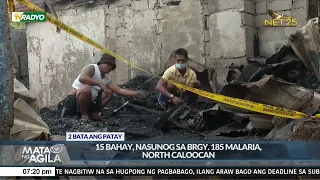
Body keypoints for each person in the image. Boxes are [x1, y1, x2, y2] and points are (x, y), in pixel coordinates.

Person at [65, 53, 147, 121]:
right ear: (101, 62)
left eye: (111, 66)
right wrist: (100, 84)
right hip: (74, 102)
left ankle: (94, 113)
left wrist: (135, 93)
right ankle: (84, 114)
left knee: (109, 92)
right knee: (86, 88)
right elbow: (82, 78)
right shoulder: (92, 68)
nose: (109, 67)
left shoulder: (106, 78)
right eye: (107, 64)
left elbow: (119, 90)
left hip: (89, 103)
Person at [156, 48, 201, 114]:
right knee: (169, 84)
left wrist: (182, 91)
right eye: (178, 60)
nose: (180, 63)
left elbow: (190, 88)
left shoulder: (192, 73)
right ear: (175, 60)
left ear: (187, 60)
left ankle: (191, 105)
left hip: (183, 93)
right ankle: (169, 104)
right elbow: (158, 86)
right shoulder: (170, 71)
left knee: (198, 83)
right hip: (171, 94)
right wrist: (172, 97)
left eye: (182, 60)